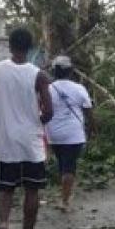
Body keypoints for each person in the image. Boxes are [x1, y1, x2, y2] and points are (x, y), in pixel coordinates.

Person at [0, 28, 53, 229]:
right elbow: (49, 111)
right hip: (30, 141)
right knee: (32, 190)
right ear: (30, 47)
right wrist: (37, 120)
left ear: (10, 45)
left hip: (5, 140)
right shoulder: (39, 75)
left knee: (6, 188)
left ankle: (4, 223)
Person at [45, 55, 94, 211]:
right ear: (70, 71)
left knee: (62, 165)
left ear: (54, 71)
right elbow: (89, 112)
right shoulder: (79, 88)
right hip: (73, 135)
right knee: (69, 167)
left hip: (53, 135)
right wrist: (92, 130)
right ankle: (65, 201)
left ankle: (64, 194)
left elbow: (42, 110)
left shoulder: (48, 89)